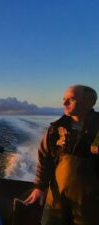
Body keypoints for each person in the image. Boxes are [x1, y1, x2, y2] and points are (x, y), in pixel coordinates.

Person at [24, 85, 99, 225]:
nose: (64, 103)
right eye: (64, 99)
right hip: (57, 197)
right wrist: (39, 187)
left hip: (91, 201)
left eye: (71, 99)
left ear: (89, 102)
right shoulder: (55, 129)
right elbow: (45, 157)